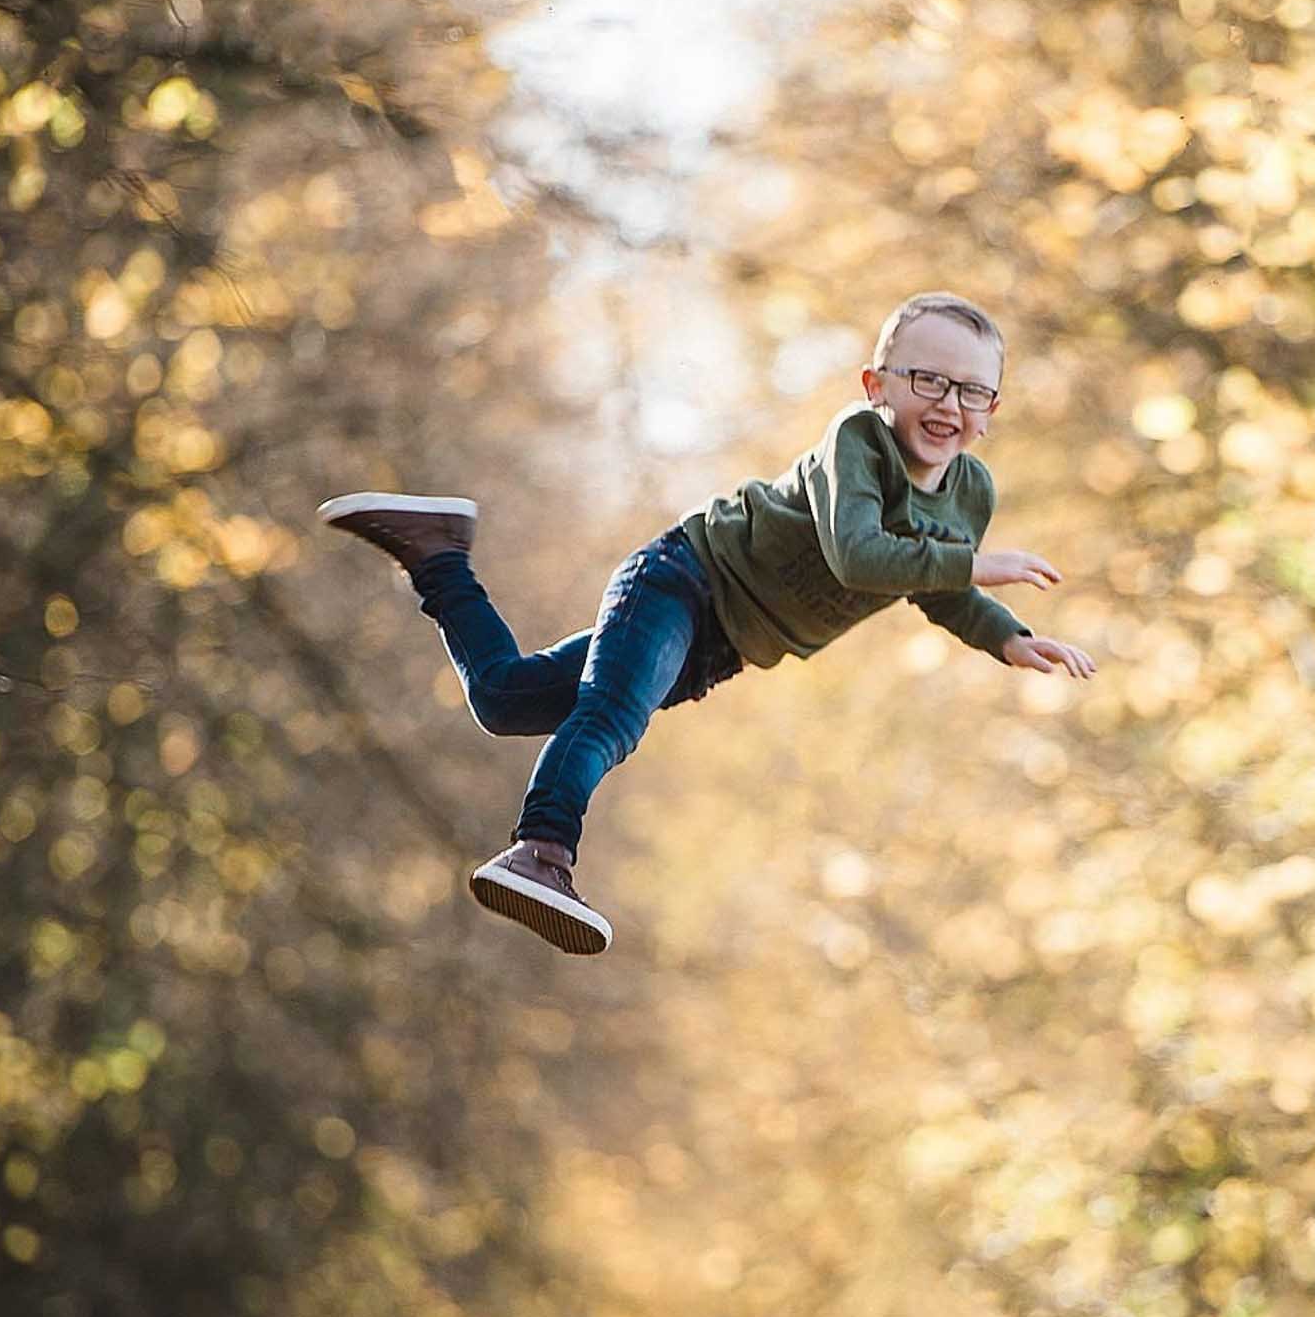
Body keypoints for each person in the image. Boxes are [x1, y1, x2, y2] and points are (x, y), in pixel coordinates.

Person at [316, 291, 1098, 955]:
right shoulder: (855, 444)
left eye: (973, 391)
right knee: (613, 715)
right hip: (687, 580)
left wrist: (1005, 634)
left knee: (504, 698)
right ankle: (542, 853)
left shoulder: (971, 494)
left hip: (723, 647)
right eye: (927, 380)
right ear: (877, 385)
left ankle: (436, 552)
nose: (948, 405)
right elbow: (862, 555)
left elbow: (929, 583)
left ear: (993, 409)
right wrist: (971, 565)